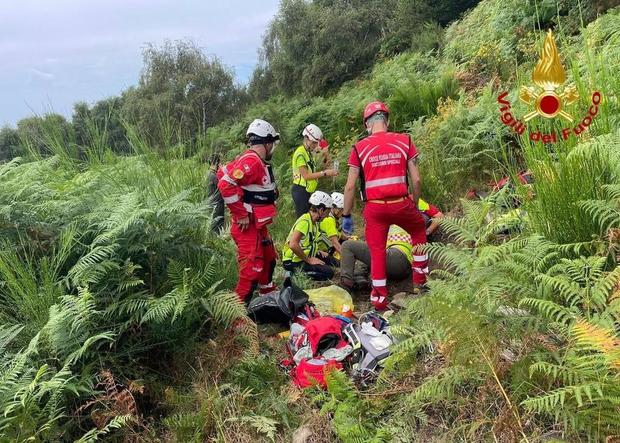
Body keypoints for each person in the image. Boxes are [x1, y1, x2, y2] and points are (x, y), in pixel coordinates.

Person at [342, 101, 428, 311]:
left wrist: (346, 215)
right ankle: (421, 285)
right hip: (401, 203)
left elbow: (350, 186)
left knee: (377, 251)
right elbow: (416, 181)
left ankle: (379, 301)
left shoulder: (359, 148)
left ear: (367, 125)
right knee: (418, 231)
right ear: (387, 121)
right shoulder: (405, 140)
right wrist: (414, 205)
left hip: (375, 208)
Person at [217, 119, 280, 303]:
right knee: (251, 270)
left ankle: (266, 296)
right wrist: (240, 214)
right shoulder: (252, 162)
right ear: (267, 142)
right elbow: (225, 184)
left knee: (269, 257)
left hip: (258, 224)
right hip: (248, 226)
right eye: (272, 144)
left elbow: (227, 175)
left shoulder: (253, 161)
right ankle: (237, 317)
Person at [282, 191, 337, 281]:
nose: (327, 216)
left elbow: (308, 242)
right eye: (327, 211)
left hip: (302, 256)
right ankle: (294, 275)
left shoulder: (313, 222)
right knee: (328, 273)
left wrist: (317, 251)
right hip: (292, 261)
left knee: (331, 260)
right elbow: (293, 244)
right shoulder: (305, 222)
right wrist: (309, 260)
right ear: (321, 209)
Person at [340, 225, 413, 290]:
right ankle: (360, 277)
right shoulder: (407, 226)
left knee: (348, 245)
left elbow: (369, 249)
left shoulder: (384, 225)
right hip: (405, 267)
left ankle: (346, 285)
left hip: (395, 257)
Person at [291, 124, 338, 217]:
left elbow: (317, 166)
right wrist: (324, 173)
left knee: (311, 219)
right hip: (301, 191)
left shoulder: (308, 152)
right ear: (306, 138)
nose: (315, 145)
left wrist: (326, 158)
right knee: (303, 221)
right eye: (313, 143)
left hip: (308, 191)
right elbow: (306, 176)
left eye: (316, 143)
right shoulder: (300, 153)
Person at [317, 192, 348, 256]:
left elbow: (336, 232)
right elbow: (334, 242)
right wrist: (346, 257)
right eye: (342, 209)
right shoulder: (329, 219)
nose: (343, 212)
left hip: (326, 247)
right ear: (335, 208)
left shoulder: (332, 217)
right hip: (321, 252)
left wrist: (348, 238)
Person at [206, 153, 225, 234]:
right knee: (217, 227)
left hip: (212, 203)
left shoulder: (208, 174)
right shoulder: (214, 176)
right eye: (220, 162)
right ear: (217, 163)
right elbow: (223, 187)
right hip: (217, 204)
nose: (221, 164)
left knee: (213, 224)